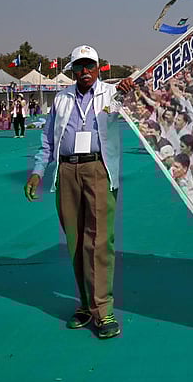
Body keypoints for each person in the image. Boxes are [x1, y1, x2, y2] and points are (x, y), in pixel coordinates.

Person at [24, 45, 135, 340]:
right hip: (67, 171)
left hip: (98, 169)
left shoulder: (111, 94)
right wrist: (37, 172)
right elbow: (48, 140)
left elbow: (132, 104)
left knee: (98, 240)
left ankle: (103, 309)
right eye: (79, 66)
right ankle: (85, 305)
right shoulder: (61, 98)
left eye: (90, 66)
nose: (84, 71)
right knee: (74, 241)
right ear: (71, 69)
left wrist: (128, 90)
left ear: (99, 68)